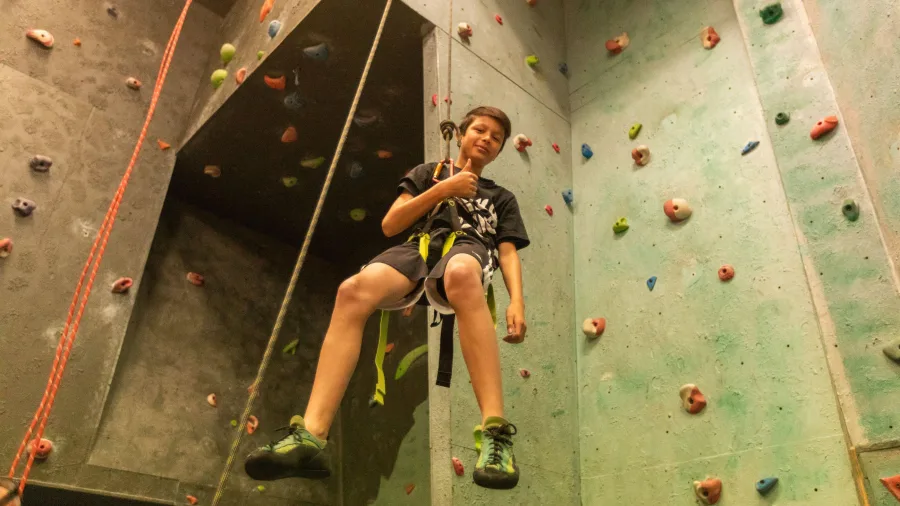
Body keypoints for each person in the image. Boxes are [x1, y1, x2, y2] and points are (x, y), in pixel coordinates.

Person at [244, 106, 530, 490]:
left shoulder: (501, 197)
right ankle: (312, 435)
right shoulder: (429, 173)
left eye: (496, 138)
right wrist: (443, 188)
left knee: (462, 273)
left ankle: (495, 434)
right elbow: (391, 224)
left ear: (497, 152)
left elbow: (508, 250)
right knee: (352, 291)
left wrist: (516, 302)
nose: (487, 138)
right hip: (418, 248)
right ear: (461, 134)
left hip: (468, 248)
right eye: (480, 129)